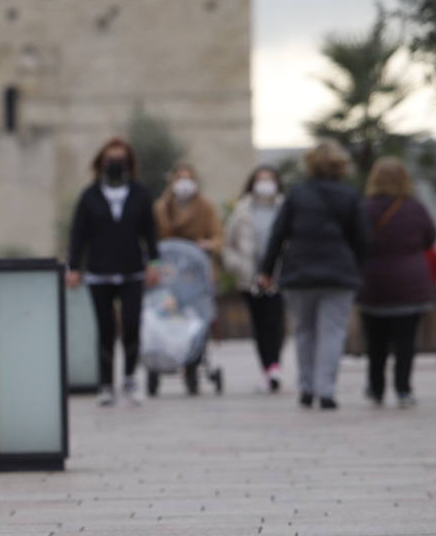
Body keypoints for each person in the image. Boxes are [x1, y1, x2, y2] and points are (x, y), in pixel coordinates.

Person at [258, 140, 369, 410]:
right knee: (332, 332)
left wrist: (266, 270)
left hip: (299, 273)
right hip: (338, 274)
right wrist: (357, 266)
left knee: (304, 331)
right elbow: (363, 239)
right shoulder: (350, 196)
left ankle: (306, 388)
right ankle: (326, 390)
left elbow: (278, 234)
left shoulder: (297, 195)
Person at [67, 137, 160, 407]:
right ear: (101, 163)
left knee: (132, 325)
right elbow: (77, 235)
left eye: (121, 159)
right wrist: (74, 267)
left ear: (129, 163)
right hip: (99, 272)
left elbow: (150, 233)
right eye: (111, 159)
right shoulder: (89, 196)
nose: (116, 164)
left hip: (132, 272)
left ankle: (130, 377)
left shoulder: (141, 194)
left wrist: (153, 263)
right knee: (105, 328)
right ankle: (106, 383)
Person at [358, 157, 436, 408]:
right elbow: (430, 237)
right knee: (405, 341)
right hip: (409, 283)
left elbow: (356, 241)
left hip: (374, 283)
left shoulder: (365, 209)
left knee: (375, 341)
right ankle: (403, 389)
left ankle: (376, 387)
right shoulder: (415, 208)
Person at [154, 162, 225, 393]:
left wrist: (207, 245)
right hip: (169, 275)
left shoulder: (206, 208)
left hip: (196, 276)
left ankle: (193, 365)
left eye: (188, 178)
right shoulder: (161, 209)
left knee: (197, 319)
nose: (184, 183)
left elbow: (218, 238)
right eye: (180, 178)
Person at [223, 165, 287, 392]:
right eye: (261, 179)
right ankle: (266, 369)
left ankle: (275, 366)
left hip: (278, 277)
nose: (265, 184)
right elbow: (228, 245)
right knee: (260, 325)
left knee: (276, 323)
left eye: (269, 179)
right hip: (250, 277)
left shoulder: (285, 207)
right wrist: (237, 266)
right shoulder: (241, 210)